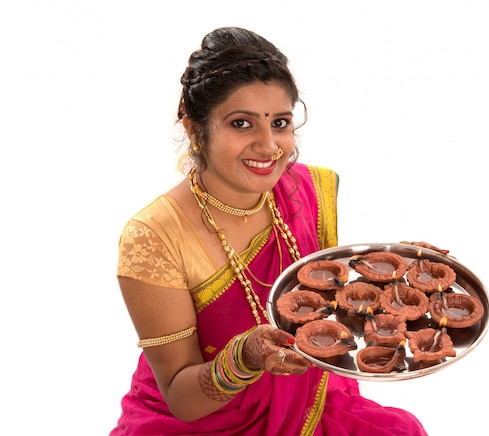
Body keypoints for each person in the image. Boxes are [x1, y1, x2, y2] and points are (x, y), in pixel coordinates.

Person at [111, 27, 429, 435]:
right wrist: (243, 359)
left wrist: (398, 278)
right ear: (194, 129)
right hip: (199, 422)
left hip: (304, 399)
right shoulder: (153, 237)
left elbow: (327, 301)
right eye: (241, 123)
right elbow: (180, 397)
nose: (268, 146)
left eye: (279, 122)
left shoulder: (308, 189)